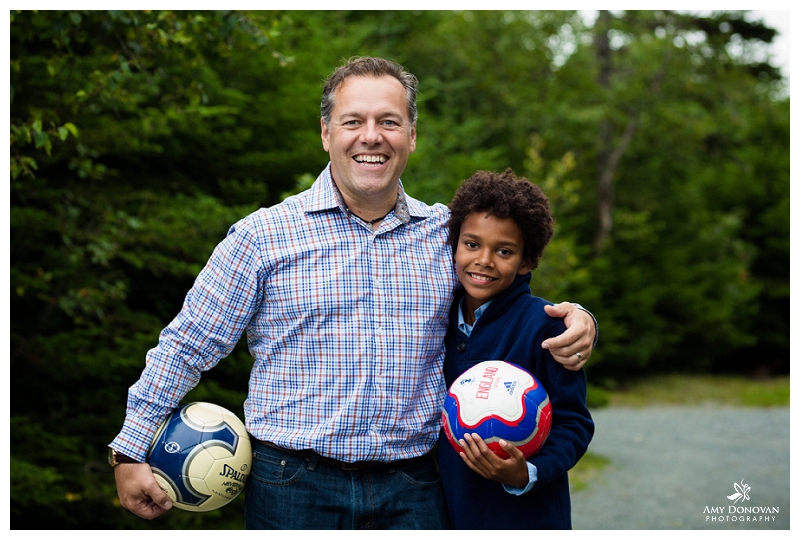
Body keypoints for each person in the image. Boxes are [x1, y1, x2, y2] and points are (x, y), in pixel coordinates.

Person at [108, 56, 597, 529]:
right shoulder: (262, 238)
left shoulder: (444, 234)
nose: (371, 136)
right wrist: (129, 449)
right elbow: (187, 344)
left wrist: (577, 317)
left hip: (416, 487)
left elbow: (507, 293)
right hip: (291, 486)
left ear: (411, 136)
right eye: (352, 121)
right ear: (326, 133)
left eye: (389, 121)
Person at [436, 169, 594, 529]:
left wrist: (528, 473)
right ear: (455, 244)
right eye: (472, 244)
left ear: (526, 260)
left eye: (504, 251)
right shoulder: (436, 320)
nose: (484, 260)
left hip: (528, 517)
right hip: (451, 511)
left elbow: (574, 423)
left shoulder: (547, 326)